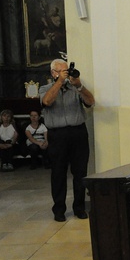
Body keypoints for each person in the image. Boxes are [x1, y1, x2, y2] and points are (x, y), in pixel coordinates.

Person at [39, 59, 95, 222]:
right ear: (53, 73)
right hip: (57, 134)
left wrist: (79, 85)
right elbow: (47, 101)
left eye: (66, 71)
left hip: (78, 132)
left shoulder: (76, 88)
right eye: (61, 71)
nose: (65, 74)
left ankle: (79, 207)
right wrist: (60, 82)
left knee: (80, 172)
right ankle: (59, 209)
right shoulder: (45, 88)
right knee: (58, 172)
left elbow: (91, 101)